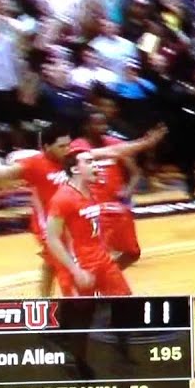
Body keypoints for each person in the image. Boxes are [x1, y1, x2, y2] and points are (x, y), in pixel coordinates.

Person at [0, 121, 166, 296]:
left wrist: (144, 143)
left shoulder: (74, 156)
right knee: (65, 267)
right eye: (61, 146)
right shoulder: (33, 164)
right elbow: (0, 174)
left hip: (72, 221)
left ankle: (57, 302)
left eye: (68, 144)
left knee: (58, 264)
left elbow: (113, 150)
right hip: (49, 226)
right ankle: (60, 312)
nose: (67, 150)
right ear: (46, 148)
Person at [45, 148, 132, 297]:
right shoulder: (62, 198)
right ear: (75, 169)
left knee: (125, 302)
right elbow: (52, 238)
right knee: (84, 316)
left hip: (102, 260)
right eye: (89, 162)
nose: (96, 166)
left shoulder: (92, 192)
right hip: (81, 265)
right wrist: (75, 270)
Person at [69, 110, 142, 269]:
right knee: (98, 250)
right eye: (97, 123)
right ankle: (101, 281)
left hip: (116, 206)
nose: (103, 127)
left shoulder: (115, 143)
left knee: (132, 252)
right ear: (87, 126)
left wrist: (128, 191)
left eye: (104, 123)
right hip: (93, 207)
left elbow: (136, 172)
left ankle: (106, 274)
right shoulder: (77, 147)